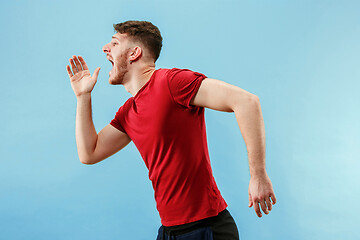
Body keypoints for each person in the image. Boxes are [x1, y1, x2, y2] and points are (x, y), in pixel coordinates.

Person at [66, 20, 276, 240]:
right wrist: (83, 97)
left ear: (134, 53)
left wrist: (258, 175)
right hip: (169, 232)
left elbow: (246, 102)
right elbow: (89, 153)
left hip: (206, 228)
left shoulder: (171, 82)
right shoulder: (129, 112)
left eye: (115, 43)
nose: (105, 48)